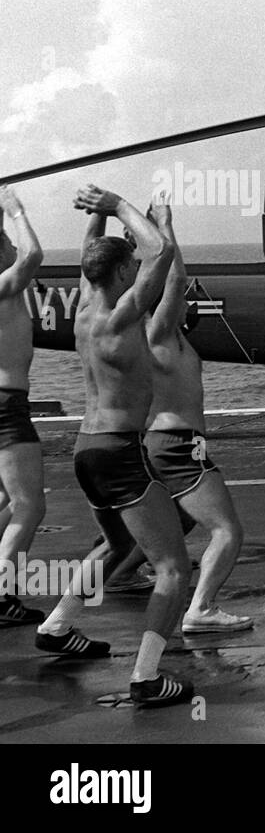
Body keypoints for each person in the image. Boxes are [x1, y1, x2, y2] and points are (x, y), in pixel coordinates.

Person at [35, 185, 197, 707]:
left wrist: (98, 222)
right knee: (173, 567)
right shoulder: (120, 316)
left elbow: (95, 260)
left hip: (86, 449)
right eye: (130, 267)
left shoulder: (85, 309)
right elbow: (162, 253)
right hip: (119, 451)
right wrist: (118, 205)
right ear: (124, 273)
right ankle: (147, 677)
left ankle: (59, 625)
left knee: (117, 545)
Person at [136, 194, 253, 633]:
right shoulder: (158, 333)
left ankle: (127, 568)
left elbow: (174, 282)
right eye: (179, 298)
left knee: (180, 521)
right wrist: (167, 225)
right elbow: (174, 276)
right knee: (227, 530)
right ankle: (200, 608)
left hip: (172, 444)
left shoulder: (173, 339)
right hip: (179, 445)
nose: (187, 299)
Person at [0, 186, 47, 627]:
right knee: (30, 505)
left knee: (5, 502)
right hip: (6, 404)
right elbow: (32, 256)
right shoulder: (2, 286)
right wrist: (17, 211)